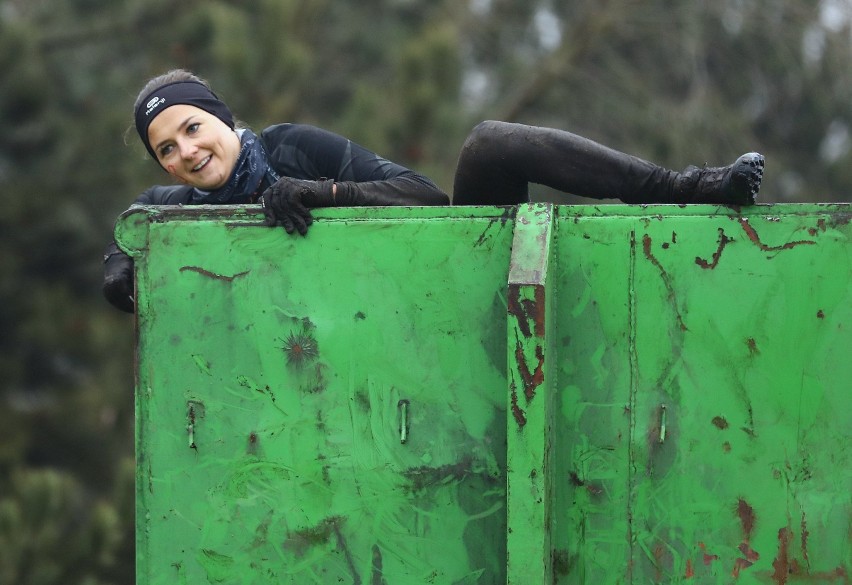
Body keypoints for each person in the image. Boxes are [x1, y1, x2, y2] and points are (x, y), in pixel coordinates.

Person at [103, 69, 765, 312]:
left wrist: (319, 191)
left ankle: (688, 185)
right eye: (168, 148)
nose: (188, 150)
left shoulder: (286, 146)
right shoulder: (175, 212)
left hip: (451, 274)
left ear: (221, 117)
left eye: (192, 127)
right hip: (372, 338)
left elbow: (421, 198)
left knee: (487, 142)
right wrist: (118, 267)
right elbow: (129, 233)